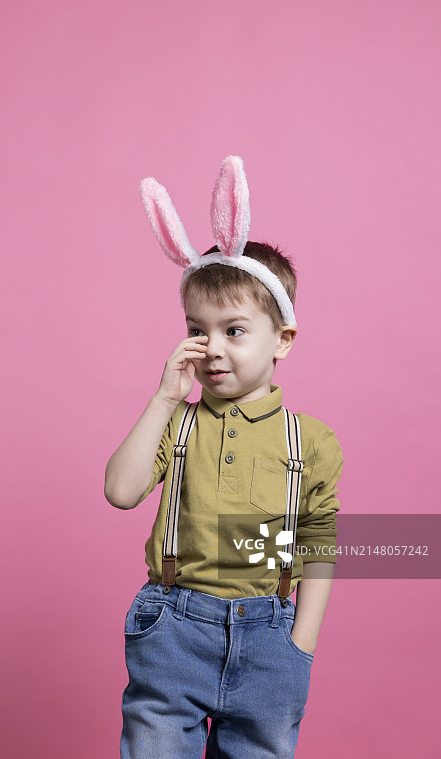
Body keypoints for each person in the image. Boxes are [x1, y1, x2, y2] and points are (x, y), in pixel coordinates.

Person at [104, 156, 344, 759]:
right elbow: (121, 490)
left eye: (234, 330)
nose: (211, 347)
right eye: (197, 328)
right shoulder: (179, 422)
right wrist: (164, 398)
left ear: (282, 339)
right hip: (173, 632)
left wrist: (301, 644)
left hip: (269, 637)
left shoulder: (308, 441)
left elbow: (320, 539)